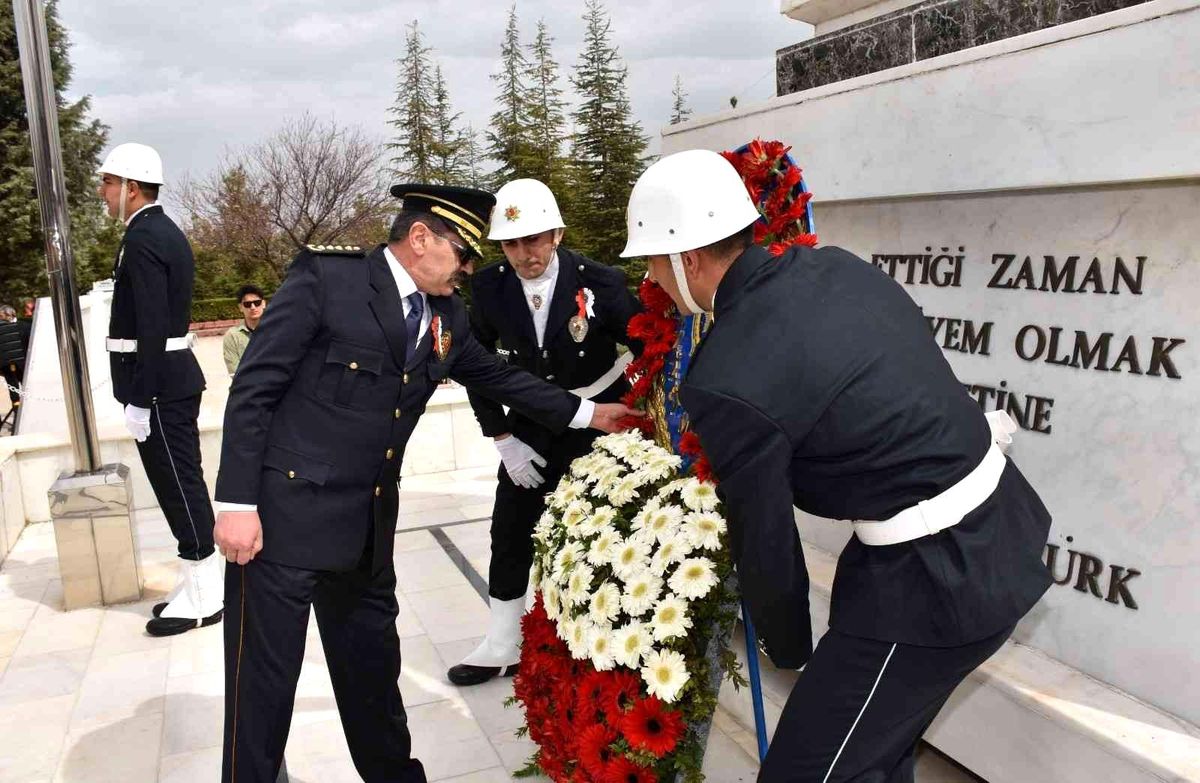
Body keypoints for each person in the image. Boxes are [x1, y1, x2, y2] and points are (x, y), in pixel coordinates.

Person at [622, 150, 1052, 783]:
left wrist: (790, 647)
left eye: (653, 260)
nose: (651, 277)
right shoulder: (836, 267)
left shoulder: (725, 373)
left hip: (934, 583)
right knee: (876, 752)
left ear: (687, 259)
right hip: (999, 526)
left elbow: (766, 535)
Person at [212, 184, 639, 783]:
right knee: (263, 684)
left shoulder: (447, 315)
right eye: (463, 253)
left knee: (373, 675)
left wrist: (590, 415)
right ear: (420, 239)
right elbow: (254, 388)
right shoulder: (328, 281)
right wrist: (236, 502)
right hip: (284, 522)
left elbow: (500, 379)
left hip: (366, 528)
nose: (468, 269)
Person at [447, 178, 642, 687]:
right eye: (511, 243)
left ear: (557, 234)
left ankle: (603, 642)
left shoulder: (599, 281)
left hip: (599, 425)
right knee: (510, 530)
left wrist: (645, 409)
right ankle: (502, 643)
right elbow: (474, 365)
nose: (523, 254)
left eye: (532, 239)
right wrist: (501, 439)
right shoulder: (489, 288)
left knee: (603, 534)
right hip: (529, 428)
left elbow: (648, 342)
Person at [98, 142, 222, 637]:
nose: (103, 192)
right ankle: (200, 580)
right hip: (166, 382)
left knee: (177, 484)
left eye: (109, 183)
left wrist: (140, 397)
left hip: (160, 386)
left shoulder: (146, 236)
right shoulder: (152, 231)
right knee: (180, 481)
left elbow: (151, 324)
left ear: (131, 187)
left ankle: (204, 595)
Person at [223, 285, 267, 375]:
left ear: (263, 304)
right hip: (247, 382)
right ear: (240, 307)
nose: (253, 307)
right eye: (247, 304)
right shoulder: (232, 336)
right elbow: (234, 372)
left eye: (257, 303)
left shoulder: (277, 329)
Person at [0, 304, 31, 416]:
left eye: (2, 316)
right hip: (7, 365)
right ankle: (17, 414)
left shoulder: (25, 326)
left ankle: (29, 411)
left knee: (27, 388)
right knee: (13, 391)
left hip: (24, 364)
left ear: (10, 315)